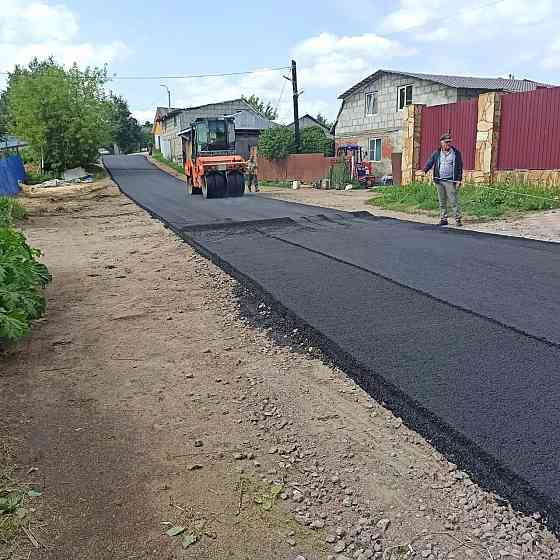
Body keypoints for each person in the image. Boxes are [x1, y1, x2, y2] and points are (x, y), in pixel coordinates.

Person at [423, 132, 463, 226]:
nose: (448, 144)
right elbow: (430, 162)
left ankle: (457, 219)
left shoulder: (456, 153)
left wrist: (459, 180)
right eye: (446, 142)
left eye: (449, 142)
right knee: (442, 201)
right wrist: (424, 170)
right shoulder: (437, 153)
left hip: (450, 181)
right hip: (439, 180)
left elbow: (460, 167)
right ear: (441, 142)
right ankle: (443, 219)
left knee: (453, 201)